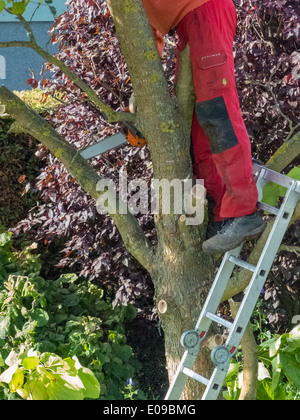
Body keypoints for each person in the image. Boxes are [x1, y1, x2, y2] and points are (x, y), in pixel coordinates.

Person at [140, 0, 266, 254]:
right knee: (199, 127)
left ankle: (243, 211)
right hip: (188, 22)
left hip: (203, 10)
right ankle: (222, 215)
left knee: (217, 110)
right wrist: (141, 99)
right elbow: (141, 34)